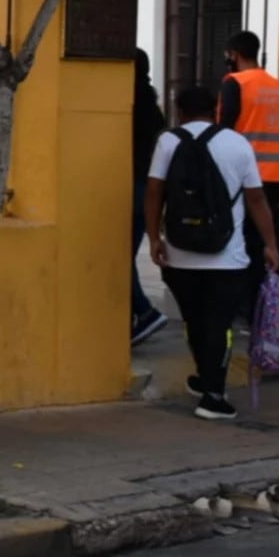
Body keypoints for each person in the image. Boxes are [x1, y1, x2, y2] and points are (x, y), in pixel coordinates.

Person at [146, 85, 279, 422]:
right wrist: (271, 243)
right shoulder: (237, 144)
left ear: (179, 110)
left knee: (195, 319)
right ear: (216, 109)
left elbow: (153, 193)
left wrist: (153, 239)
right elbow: (256, 200)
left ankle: (205, 376)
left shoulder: (168, 141)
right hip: (227, 257)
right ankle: (214, 396)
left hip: (179, 254)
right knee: (219, 324)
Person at [218, 30, 279, 316]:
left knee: (238, 242)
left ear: (234, 53)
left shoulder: (234, 83)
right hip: (274, 175)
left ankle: (238, 305)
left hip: (241, 178)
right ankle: (259, 308)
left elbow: (224, 128)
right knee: (264, 242)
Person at [130, 49, 168, 346]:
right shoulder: (152, 106)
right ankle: (136, 315)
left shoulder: (128, 103)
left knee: (119, 258)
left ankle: (144, 312)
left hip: (130, 185)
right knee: (125, 255)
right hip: (146, 186)